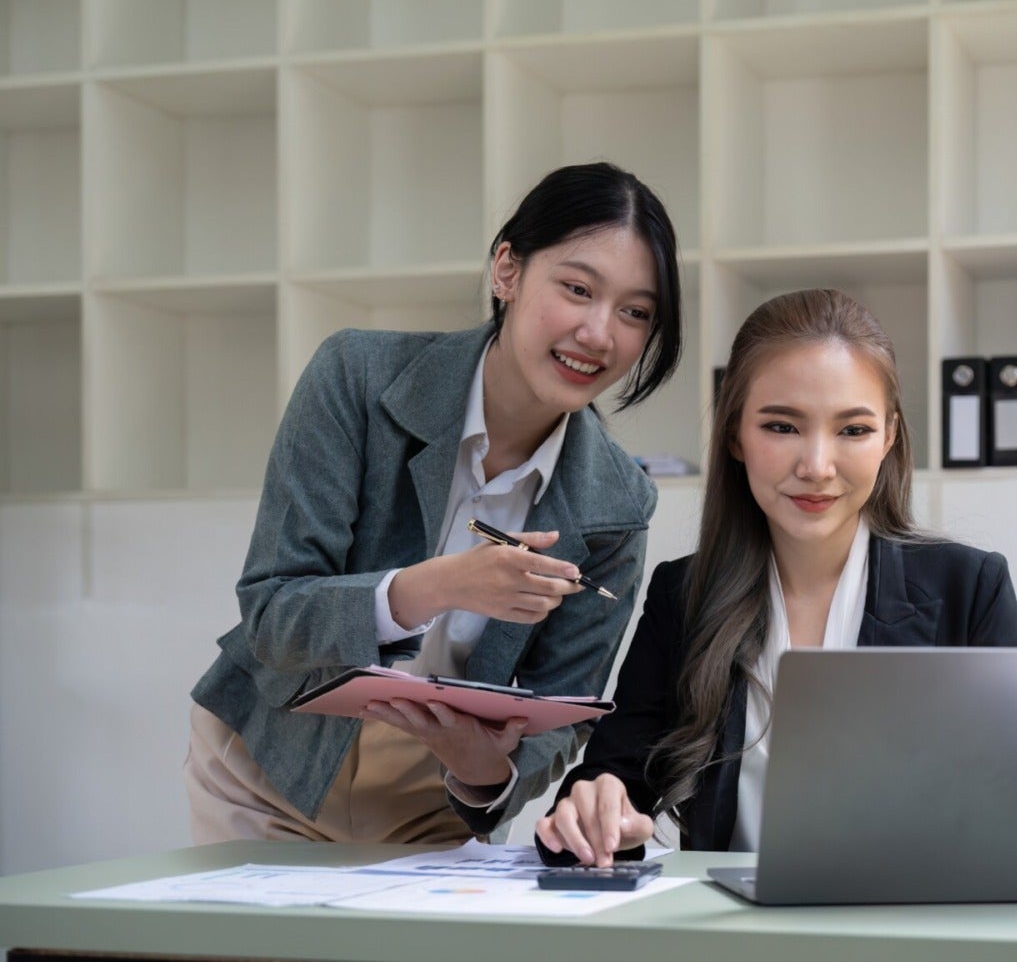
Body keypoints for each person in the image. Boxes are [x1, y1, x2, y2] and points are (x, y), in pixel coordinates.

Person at [185, 161, 683, 845]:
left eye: (635, 311)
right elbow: (273, 615)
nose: (601, 333)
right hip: (270, 764)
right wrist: (438, 587)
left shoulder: (620, 501)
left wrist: (488, 771)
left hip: (431, 801)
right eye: (577, 288)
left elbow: (564, 713)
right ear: (506, 270)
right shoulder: (357, 378)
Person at [534, 288, 1017, 866]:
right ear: (735, 435)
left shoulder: (967, 588)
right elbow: (605, 790)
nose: (816, 467)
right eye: (782, 426)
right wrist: (595, 809)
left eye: (853, 431)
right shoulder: (684, 598)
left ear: (890, 437)